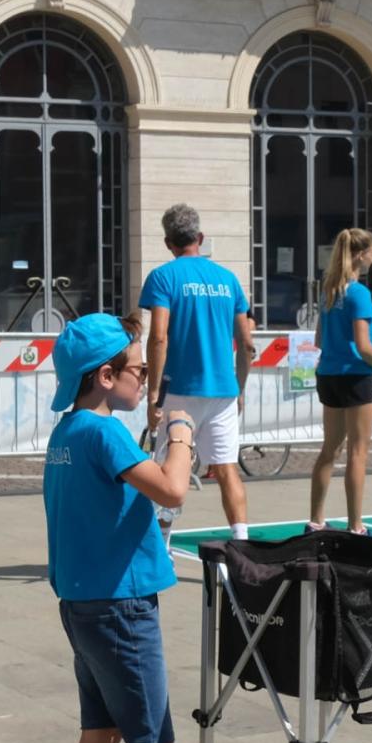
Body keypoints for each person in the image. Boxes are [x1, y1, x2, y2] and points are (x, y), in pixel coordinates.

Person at [44, 313, 197, 743]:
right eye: (138, 369)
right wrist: (181, 435)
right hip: (120, 608)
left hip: (84, 603)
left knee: (100, 734)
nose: (146, 378)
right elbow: (173, 490)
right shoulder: (104, 432)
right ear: (105, 377)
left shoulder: (68, 431)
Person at [141, 203, 256, 546]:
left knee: (167, 468)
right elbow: (246, 343)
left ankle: (162, 544)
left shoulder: (164, 277)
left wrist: (153, 393)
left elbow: (158, 336)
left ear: (168, 242)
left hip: (179, 388)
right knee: (227, 468)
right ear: (200, 238)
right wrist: (240, 389)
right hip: (222, 389)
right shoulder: (228, 279)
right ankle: (242, 542)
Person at [308, 227, 372, 534]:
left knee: (330, 450)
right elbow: (364, 346)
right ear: (360, 255)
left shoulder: (329, 291)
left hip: (328, 375)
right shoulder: (359, 294)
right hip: (355, 377)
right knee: (358, 452)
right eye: (371, 253)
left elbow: (319, 339)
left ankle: (315, 522)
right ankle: (356, 526)